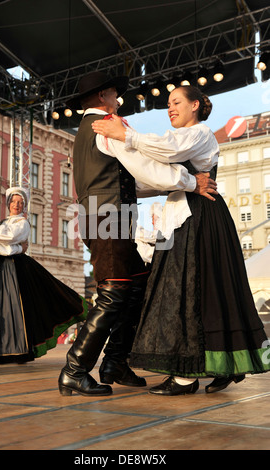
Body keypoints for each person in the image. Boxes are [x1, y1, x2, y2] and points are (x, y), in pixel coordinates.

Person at [92, 84, 270, 395]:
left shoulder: (199, 133)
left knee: (190, 290)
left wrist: (125, 136)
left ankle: (186, 376)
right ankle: (220, 365)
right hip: (185, 216)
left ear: (196, 105)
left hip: (200, 217)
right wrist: (112, 160)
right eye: (168, 104)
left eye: (176, 102)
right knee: (200, 290)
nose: (170, 108)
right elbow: (155, 174)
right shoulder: (183, 138)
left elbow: (167, 150)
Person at [58, 71, 217, 397]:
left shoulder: (87, 130)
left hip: (102, 216)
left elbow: (132, 179)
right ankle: (74, 369)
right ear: (103, 96)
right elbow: (145, 168)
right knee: (114, 292)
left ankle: (116, 361)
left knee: (139, 285)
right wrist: (191, 182)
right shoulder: (107, 126)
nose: (119, 99)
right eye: (115, 94)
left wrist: (170, 184)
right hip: (108, 217)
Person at [0, 186, 88, 363]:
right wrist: (17, 247)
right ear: (8, 204)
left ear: (24, 206)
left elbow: (5, 239)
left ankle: (16, 349)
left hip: (15, 269)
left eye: (20, 203)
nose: (16, 205)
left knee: (16, 308)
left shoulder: (21, 223)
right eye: (14, 202)